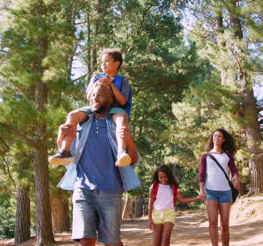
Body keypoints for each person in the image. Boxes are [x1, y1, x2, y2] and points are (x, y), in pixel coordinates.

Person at [56, 84, 140, 246]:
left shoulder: (116, 124)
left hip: (110, 190)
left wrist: (129, 143)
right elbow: (68, 158)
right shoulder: (82, 124)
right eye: (93, 95)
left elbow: (133, 160)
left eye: (100, 95)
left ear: (109, 100)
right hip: (82, 189)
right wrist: (61, 138)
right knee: (86, 240)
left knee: (112, 242)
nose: (95, 98)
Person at [49, 48, 133, 167]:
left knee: (121, 120)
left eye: (106, 62)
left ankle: (121, 153)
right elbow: (89, 96)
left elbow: (123, 100)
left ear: (116, 63)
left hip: (114, 109)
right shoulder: (96, 78)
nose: (103, 64)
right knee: (72, 115)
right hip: (95, 107)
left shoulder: (122, 81)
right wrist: (97, 85)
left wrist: (111, 86)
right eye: (102, 62)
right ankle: (65, 150)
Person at [198, 129, 241, 246]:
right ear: (212, 138)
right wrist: (202, 191)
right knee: (212, 222)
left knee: (225, 224)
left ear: (223, 139)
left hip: (226, 192)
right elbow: (201, 175)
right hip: (210, 192)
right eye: (215, 136)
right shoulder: (206, 156)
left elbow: (234, 171)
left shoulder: (227, 155)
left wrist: (236, 179)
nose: (217, 138)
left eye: (219, 136)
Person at [148, 165, 203, 246]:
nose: (163, 179)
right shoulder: (154, 186)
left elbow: (182, 200)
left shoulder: (173, 187)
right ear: (157, 176)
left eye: (165, 177)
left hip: (169, 214)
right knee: (156, 243)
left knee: (165, 240)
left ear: (169, 176)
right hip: (156, 214)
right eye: (160, 177)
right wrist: (150, 219)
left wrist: (197, 198)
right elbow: (150, 203)